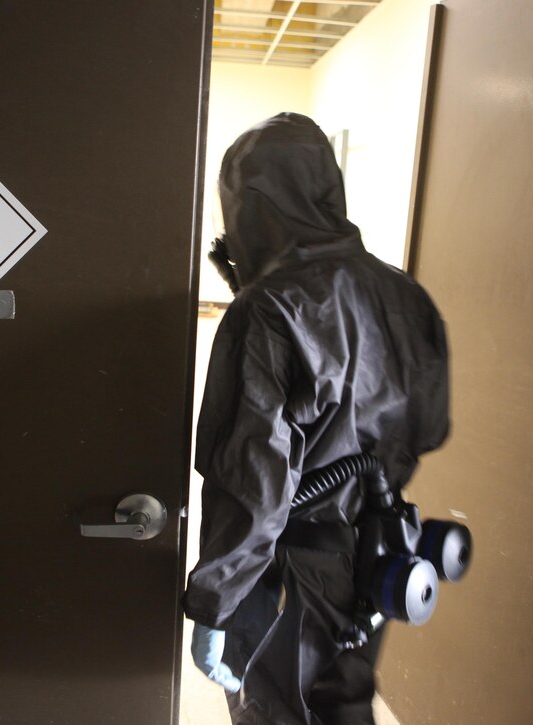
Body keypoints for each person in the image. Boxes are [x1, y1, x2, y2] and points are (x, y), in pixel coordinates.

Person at [183, 113, 450, 725]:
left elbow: (251, 484)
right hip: (379, 550)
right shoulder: (405, 293)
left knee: (273, 706)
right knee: (340, 699)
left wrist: (215, 605)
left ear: (245, 204)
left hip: (284, 565)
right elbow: (429, 427)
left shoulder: (266, 311)